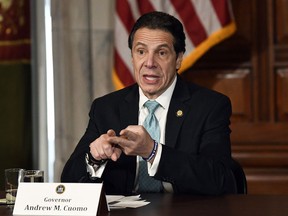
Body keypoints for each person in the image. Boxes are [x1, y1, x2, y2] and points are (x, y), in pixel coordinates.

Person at [61, 11, 236, 195]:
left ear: (178, 59)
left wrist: (153, 152)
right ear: (132, 57)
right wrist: (94, 159)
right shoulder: (106, 108)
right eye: (141, 51)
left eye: (161, 53)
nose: (149, 63)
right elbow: (67, 181)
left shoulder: (210, 107)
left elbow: (222, 180)